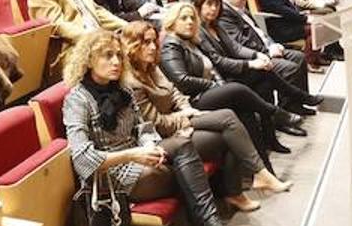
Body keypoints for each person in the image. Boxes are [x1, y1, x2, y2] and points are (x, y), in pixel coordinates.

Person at [61, 30, 239, 226]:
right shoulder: (77, 100)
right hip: (111, 174)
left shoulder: (123, 91)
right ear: (88, 59)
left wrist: (150, 148)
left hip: (141, 157)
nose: (115, 62)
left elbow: (143, 129)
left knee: (184, 148)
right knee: (188, 172)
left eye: (118, 56)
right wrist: (133, 154)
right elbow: (82, 158)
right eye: (106, 56)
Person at [121, 20, 290, 212]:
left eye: (153, 42)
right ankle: (246, 184)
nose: (152, 47)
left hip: (180, 118)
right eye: (145, 42)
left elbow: (175, 92)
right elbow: (156, 123)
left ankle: (248, 182)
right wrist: (185, 117)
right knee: (228, 122)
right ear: (132, 45)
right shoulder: (131, 82)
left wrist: (186, 108)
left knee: (231, 120)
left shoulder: (151, 66)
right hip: (161, 138)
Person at [159, 2, 305, 156]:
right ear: (172, 21)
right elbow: (181, 80)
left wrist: (221, 83)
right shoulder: (171, 45)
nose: (189, 22)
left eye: (191, 18)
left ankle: (263, 166)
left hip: (211, 89)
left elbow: (219, 61)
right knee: (237, 88)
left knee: (251, 103)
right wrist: (214, 85)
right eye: (183, 18)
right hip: (193, 99)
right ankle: (277, 112)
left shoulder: (192, 41)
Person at [192, 0, 319, 116]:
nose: (213, 8)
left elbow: (236, 47)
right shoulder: (200, 31)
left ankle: (288, 110)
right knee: (267, 71)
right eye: (209, 4)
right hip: (224, 76)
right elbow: (219, 61)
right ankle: (290, 106)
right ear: (199, 6)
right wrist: (253, 62)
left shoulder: (216, 25)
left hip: (242, 62)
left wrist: (257, 55)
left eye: (216, 5)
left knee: (276, 68)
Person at [218, 0, 314, 97]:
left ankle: (298, 102)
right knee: (290, 68)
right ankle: (288, 105)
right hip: (253, 55)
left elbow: (260, 32)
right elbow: (241, 42)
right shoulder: (223, 14)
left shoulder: (240, 9)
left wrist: (273, 44)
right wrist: (268, 51)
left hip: (265, 47)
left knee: (299, 57)